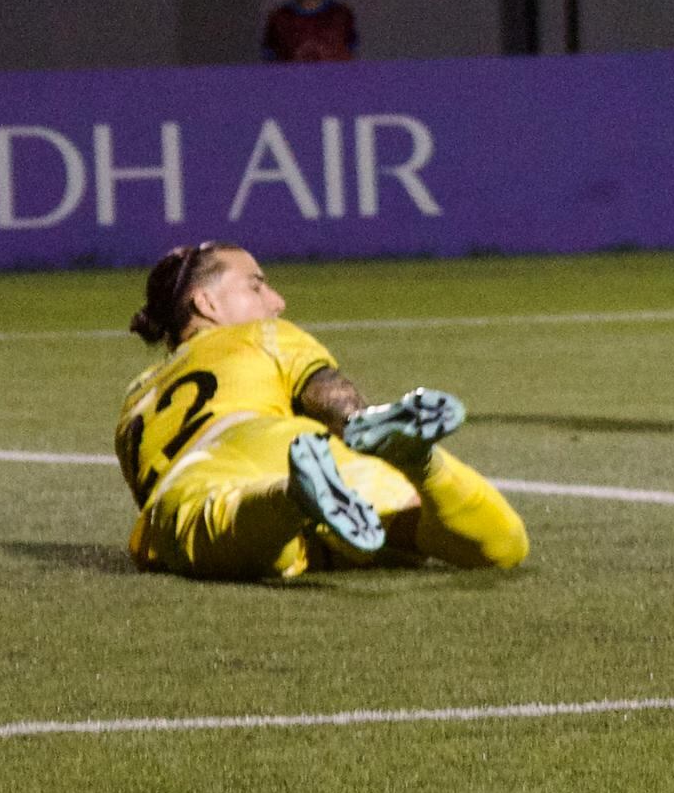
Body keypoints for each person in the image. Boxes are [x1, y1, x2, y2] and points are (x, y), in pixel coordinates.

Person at [115, 244, 526, 581]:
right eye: (256, 286)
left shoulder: (135, 399)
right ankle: (420, 462)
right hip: (291, 442)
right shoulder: (261, 334)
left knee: (222, 533)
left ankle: (294, 497)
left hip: (194, 480)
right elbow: (324, 390)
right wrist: (356, 423)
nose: (277, 302)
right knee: (500, 545)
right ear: (206, 302)